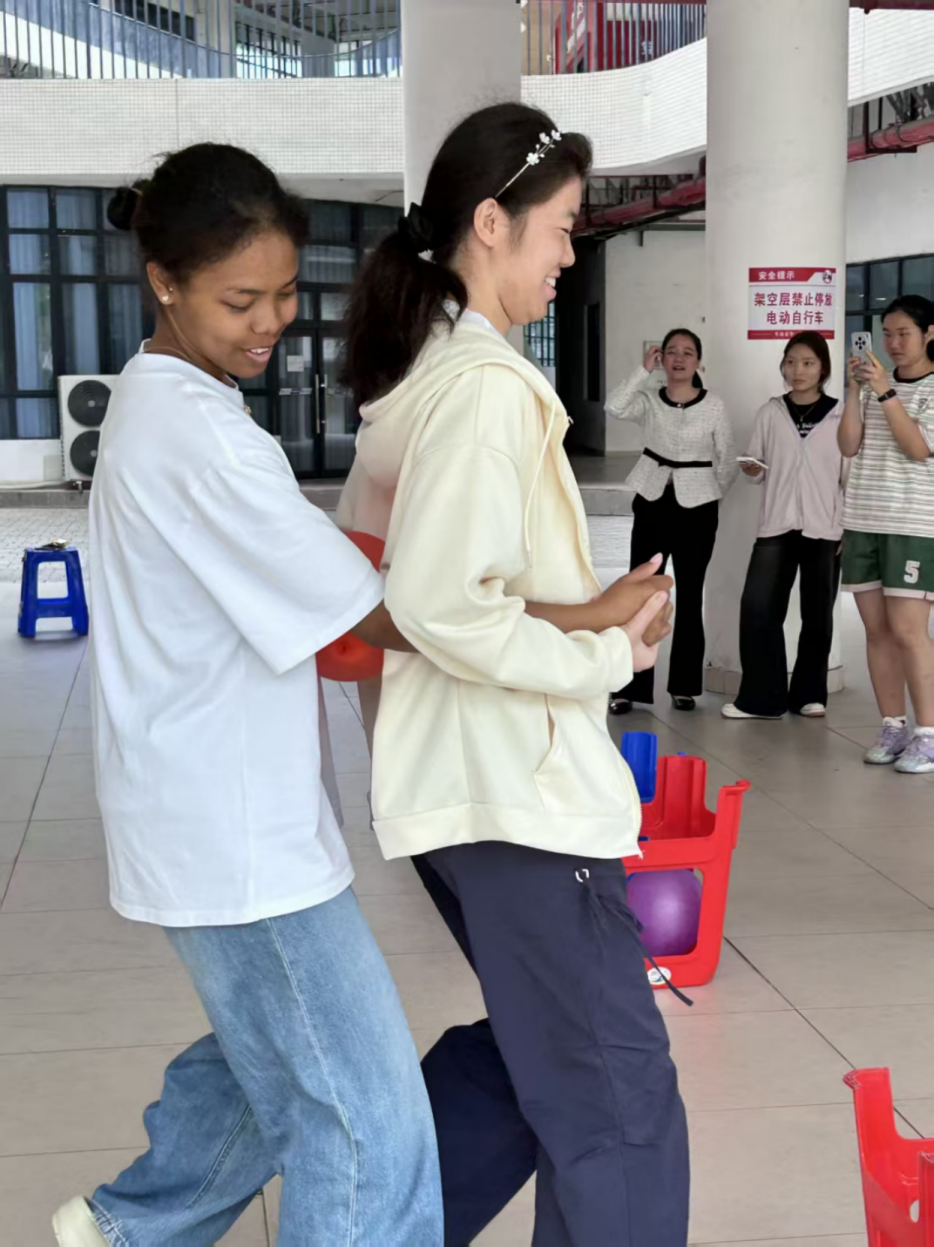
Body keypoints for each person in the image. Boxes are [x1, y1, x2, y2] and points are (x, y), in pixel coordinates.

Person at [52, 145, 444, 1247]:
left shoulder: (167, 402)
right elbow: (372, 618)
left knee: (264, 1055)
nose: (271, 321)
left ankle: (127, 1229)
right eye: (240, 300)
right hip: (236, 833)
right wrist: (566, 619)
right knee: (367, 1125)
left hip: (209, 806)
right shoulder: (202, 435)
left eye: (283, 292)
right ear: (163, 282)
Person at [338, 102, 689, 1247]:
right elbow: (442, 604)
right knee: (617, 1107)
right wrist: (604, 651)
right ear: (490, 222)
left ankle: (363, 1226)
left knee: (540, 1061)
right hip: (517, 798)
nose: (570, 253)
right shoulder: (484, 386)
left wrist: (589, 614)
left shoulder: (422, 377)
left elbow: (433, 591)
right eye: (563, 226)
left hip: (464, 790)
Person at [605, 329, 737, 713]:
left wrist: (710, 492)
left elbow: (727, 458)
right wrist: (641, 371)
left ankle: (684, 686)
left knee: (691, 595)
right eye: (672, 352)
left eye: (688, 352)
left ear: (699, 362)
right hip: (653, 499)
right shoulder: (649, 399)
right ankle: (628, 686)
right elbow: (614, 406)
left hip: (698, 508)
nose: (679, 359)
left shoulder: (714, 405)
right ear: (661, 358)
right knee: (641, 592)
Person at [723, 331, 847, 720]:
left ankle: (810, 695)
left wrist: (848, 527)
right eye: (791, 362)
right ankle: (762, 699)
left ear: (823, 368)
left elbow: (850, 477)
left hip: (825, 526)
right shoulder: (770, 412)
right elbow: (757, 466)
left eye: (808, 363)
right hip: (777, 523)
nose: (798, 370)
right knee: (758, 608)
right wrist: (752, 468)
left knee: (818, 614)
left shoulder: (841, 415)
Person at [838, 294, 934, 773]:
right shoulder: (874, 383)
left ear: (929, 334)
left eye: (905, 333)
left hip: (914, 524)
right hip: (862, 519)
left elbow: (917, 448)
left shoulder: (927, 388)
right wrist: (854, 392)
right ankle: (893, 727)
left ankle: (928, 735)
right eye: (888, 333)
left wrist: (884, 391)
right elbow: (848, 445)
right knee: (876, 632)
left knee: (909, 632)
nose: (894, 343)